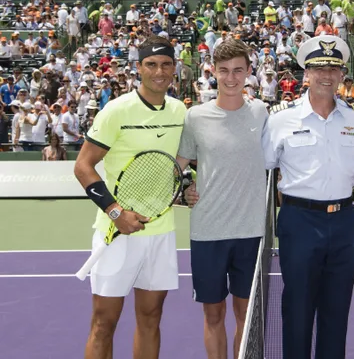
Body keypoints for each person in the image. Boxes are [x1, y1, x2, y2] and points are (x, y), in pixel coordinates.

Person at [73, 35, 187, 359]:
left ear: (174, 68)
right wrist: (116, 213)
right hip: (116, 233)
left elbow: (175, 165)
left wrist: (187, 187)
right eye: (151, 64)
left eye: (166, 64)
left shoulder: (180, 111)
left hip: (160, 232)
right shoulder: (116, 111)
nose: (159, 71)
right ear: (139, 68)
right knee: (103, 324)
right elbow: (83, 167)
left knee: (151, 319)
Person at [263, 35, 354, 359]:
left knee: (337, 311)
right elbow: (262, 170)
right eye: (318, 68)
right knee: (297, 309)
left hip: (343, 222)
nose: (326, 75)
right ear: (306, 73)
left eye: (333, 69)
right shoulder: (281, 120)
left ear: (342, 75)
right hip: (300, 221)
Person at [176, 39, 269, 359]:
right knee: (213, 316)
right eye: (224, 71)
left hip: (251, 231)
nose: (231, 78)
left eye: (238, 71)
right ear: (214, 72)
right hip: (208, 231)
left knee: (246, 316)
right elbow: (180, 164)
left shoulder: (261, 112)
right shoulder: (195, 116)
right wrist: (184, 188)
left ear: (248, 73)